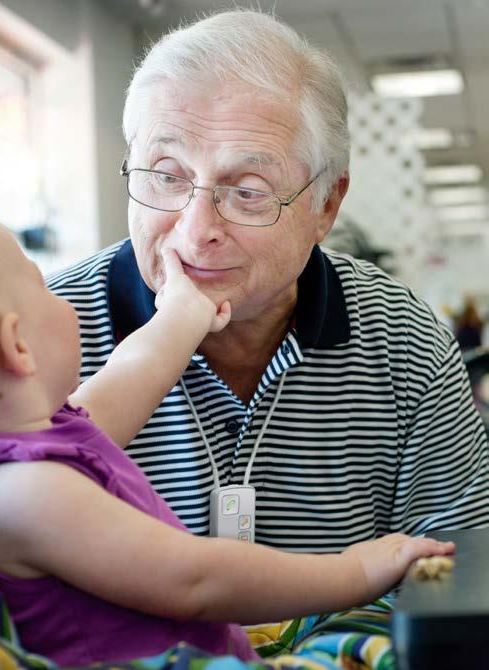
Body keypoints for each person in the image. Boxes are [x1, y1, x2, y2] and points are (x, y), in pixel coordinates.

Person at [0, 209, 452, 668]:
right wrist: (357, 568)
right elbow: (195, 579)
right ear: (18, 344)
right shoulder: (19, 493)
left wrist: (183, 308)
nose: (64, 298)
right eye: (41, 288)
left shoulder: (39, 436)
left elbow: (135, 369)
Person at [48, 9, 489, 550]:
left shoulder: (404, 342)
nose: (196, 230)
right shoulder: (42, 329)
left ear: (325, 205)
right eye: (166, 175)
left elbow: (452, 566)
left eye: (249, 190)